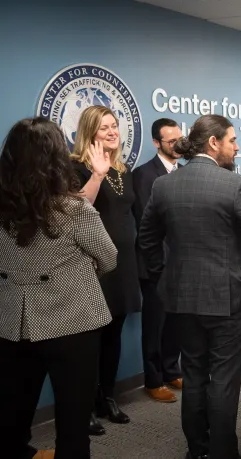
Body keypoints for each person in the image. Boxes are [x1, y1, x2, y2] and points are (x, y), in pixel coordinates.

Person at [139, 114, 241, 459]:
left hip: (181, 301)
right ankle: (223, 453)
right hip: (228, 302)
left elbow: (146, 240)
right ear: (213, 143)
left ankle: (197, 451)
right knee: (224, 382)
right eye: (232, 140)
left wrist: (164, 279)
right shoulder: (236, 184)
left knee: (195, 376)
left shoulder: (164, 185)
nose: (237, 146)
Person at [0, 117, 117, 459]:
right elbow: (109, 259)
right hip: (72, 324)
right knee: (73, 426)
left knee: (10, 421)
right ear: (55, 158)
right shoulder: (73, 209)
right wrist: (79, 266)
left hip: (12, 325)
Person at [70, 105, 141, 435]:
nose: (113, 131)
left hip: (123, 265)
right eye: (104, 128)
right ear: (89, 132)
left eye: (114, 125)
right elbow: (75, 210)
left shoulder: (124, 169)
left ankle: (106, 397)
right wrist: (97, 175)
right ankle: (82, 405)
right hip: (93, 266)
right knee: (90, 339)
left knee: (113, 334)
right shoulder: (76, 168)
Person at [131, 118, 184, 403]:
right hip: (154, 265)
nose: (178, 145)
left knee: (175, 323)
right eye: (171, 141)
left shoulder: (186, 173)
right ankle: (153, 380)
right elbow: (147, 226)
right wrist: (162, 262)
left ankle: (171, 370)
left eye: (180, 139)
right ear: (156, 143)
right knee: (154, 325)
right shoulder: (143, 175)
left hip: (181, 265)